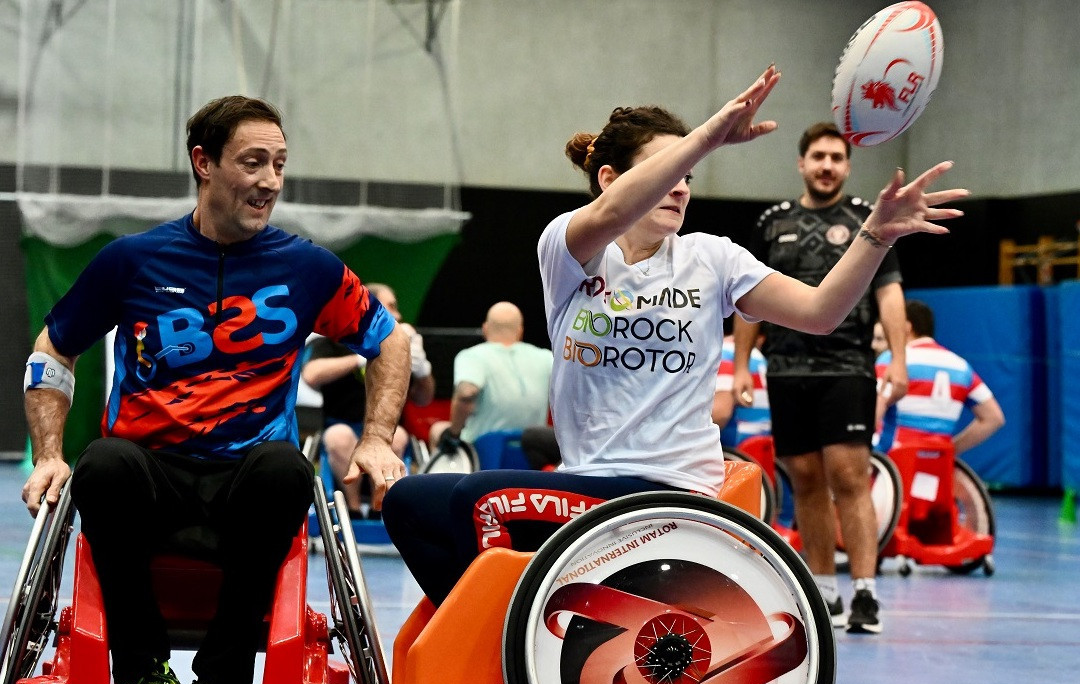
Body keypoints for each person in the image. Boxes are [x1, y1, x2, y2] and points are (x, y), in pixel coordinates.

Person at [382, 66, 966, 610]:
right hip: (587, 486)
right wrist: (711, 135)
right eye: (668, 172)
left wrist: (875, 236)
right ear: (610, 179)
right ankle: (513, 637)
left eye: (688, 175)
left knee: (470, 501)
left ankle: (509, 639)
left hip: (668, 492)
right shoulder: (570, 250)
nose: (681, 187)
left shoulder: (711, 258)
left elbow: (819, 312)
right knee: (409, 501)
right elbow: (609, 217)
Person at [21, 95, 410, 684]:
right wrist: (48, 453)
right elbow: (55, 346)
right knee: (101, 463)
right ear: (204, 163)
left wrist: (377, 438)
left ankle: (225, 677)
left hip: (246, 484)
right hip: (151, 478)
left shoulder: (306, 266)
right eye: (253, 162)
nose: (269, 182)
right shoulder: (132, 260)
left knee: (288, 469)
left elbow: (388, 343)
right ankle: (145, 670)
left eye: (279, 165)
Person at [733, 121, 913, 635]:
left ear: (848, 166)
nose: (827, 165)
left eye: (837, 157)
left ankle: (864, 593)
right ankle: (825, 592)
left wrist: (898, 360)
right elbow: (747, 301)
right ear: (802, 163)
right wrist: (744, 364)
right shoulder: (772, 222)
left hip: (847, 367)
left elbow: (889, 294)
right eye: (818, 156)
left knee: (849, 477)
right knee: (806, 481)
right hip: (787, 369)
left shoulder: (866, 220)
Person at [302, 282, 434, 516]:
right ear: (371, 307)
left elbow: (424, 399)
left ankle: (380, 507)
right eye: (391, 306)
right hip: (343, 426)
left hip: (388, 430)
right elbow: (312, 374)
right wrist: (360, 358)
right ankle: (351, 511)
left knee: (399, 436)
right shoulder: (335, 339)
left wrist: (423, 372)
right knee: (338, 437)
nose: (399, 314)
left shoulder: (401, 343)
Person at [875, 299, 1005, 453]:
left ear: (907, 327)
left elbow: (876, 408)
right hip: (937, 465)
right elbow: (994, 418)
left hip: (892, 460)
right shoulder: (961, 366)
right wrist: (951, 450)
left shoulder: (893, 360)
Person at [430, 301, 553, 453]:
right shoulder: (547, 357)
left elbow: (466, 393)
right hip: (533, 451)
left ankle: (450, 477)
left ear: (485, 329)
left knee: (437, 430)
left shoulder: (472, 356)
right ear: (520, 331)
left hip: (484, 451)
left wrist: (454, 434)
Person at [715, 318, 770, 448]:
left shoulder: (725, 351)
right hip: (762, 449)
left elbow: (721, 413)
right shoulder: (758, 356)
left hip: (736, 452)